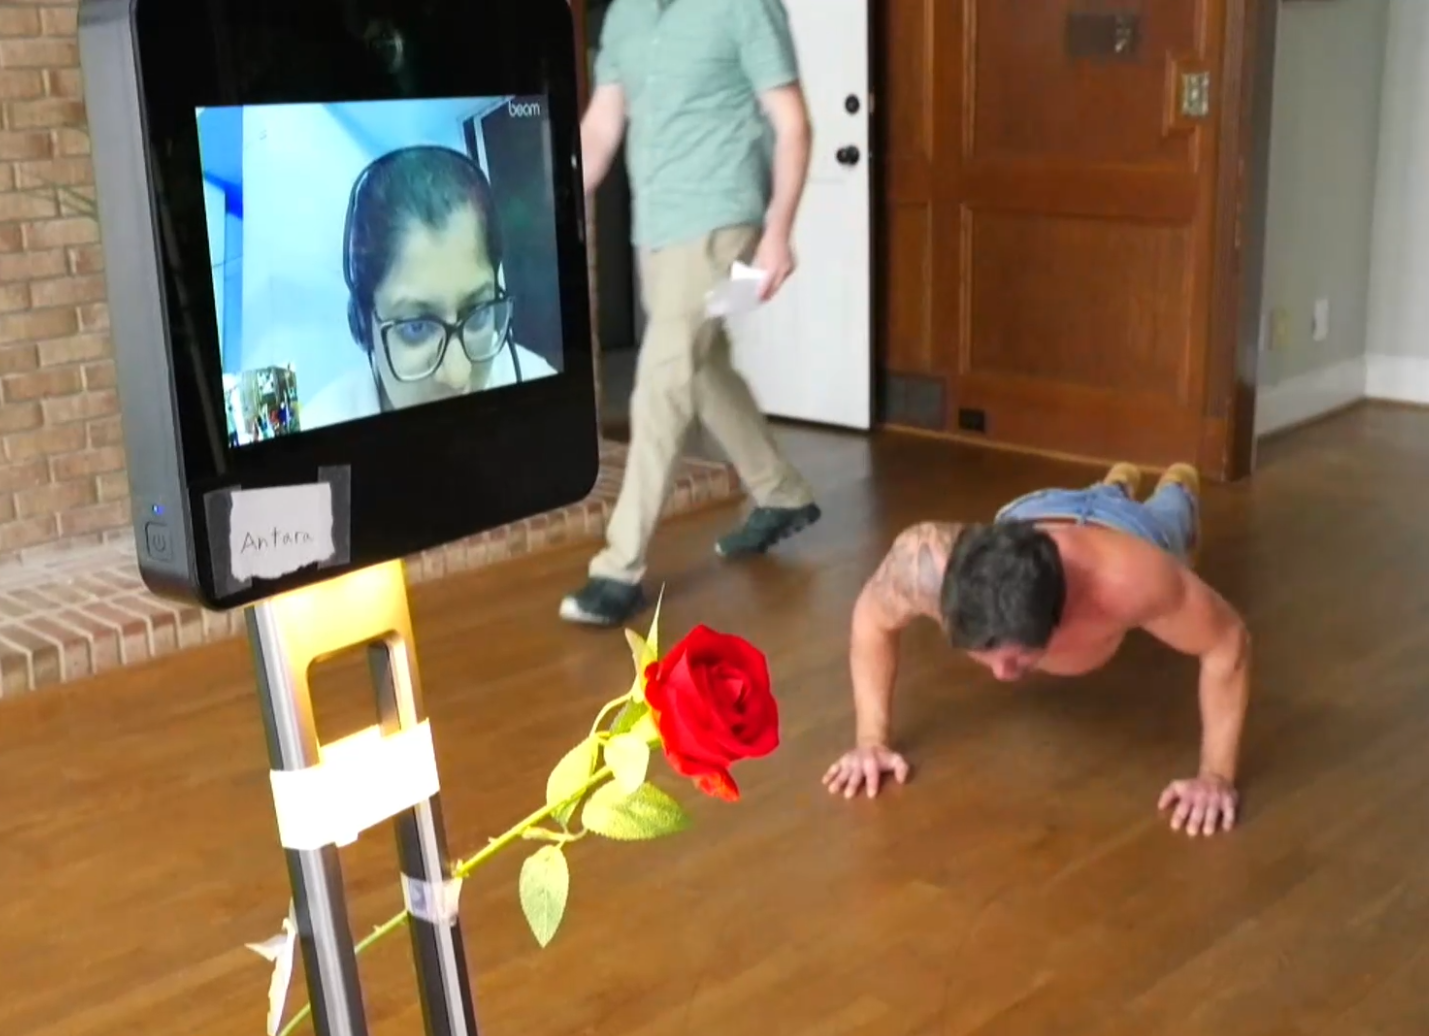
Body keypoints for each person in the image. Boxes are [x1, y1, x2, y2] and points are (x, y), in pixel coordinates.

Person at [559, 0, 822, 628]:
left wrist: (778, 233)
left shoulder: (743, 6)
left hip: (723, 224)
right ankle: (782, 492)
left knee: (662, 383)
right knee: (701, 367)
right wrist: (551, 201)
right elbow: (601, 127)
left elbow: (793, 124)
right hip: (655, 234)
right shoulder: (625, 16)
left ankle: (618, 569)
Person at [823, 462, 1252, 839]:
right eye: (986, 653)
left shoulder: (1131, 581)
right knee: (1102, 496)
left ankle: (1177, 483)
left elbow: (1228, 641)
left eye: (1019, 656)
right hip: (1034, 512)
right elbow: (871, 620)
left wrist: (1215, 775)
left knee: (1172, 516)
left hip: (1129, 528)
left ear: (1059, 612)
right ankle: (1115, 483)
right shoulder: (922, 565)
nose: (1002, 673)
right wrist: (870, 741)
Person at [301, 145, 556, 431]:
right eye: (416, 327)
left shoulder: (540, 394)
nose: (459, 376)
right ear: (363, 324)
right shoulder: (319, 427)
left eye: (478, 313)